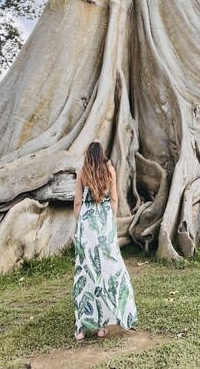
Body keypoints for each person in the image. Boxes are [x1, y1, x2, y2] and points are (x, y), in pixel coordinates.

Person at [73, 141, 138, 342]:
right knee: (107, 271)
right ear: (102, 155)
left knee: (85, 273)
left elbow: (77, 202)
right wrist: (108, 223)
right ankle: (101, 327)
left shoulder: (82, 172)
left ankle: (81, 329)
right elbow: (115, 200)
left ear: (87, 156)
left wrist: (82, 224)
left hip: (87, 226)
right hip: (104, 226)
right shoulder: (109, 170)